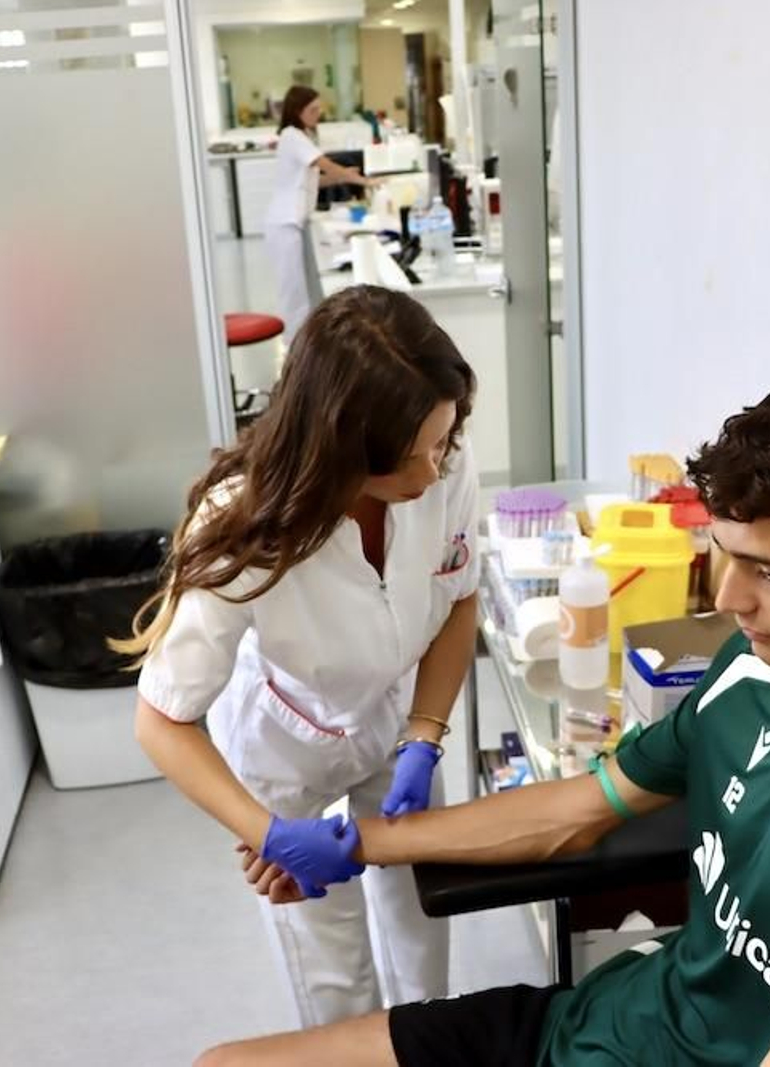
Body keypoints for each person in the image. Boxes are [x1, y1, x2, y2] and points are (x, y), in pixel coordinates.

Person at [197, 369, 770, 1067]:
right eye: (727, 557)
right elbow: (578, 808)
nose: (729, 599)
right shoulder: (753, 673)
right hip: (598, 1023)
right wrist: (351, 842)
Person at [116, 285, 480, 1029]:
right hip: (286, 739)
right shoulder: (243, 522)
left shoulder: (443, 459)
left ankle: (424, 1045)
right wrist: (268, 833)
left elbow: (459, 598)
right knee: (330, 963)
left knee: (421, 921)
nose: (432, 473)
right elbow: (161, 720)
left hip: (397, 712)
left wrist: (425, 734)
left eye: (440, 443)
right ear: (343, 451)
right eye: (409, 459)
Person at [265, 85, 376, 346]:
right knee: (294, 293)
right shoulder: (292, 136)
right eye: (313, 109)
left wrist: (344, 175)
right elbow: (325, 165)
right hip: (284, 223)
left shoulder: (302, 136)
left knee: (306, 288)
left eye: (318, 109)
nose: (318, 114)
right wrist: (362, 180)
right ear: (297, 111)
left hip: (296, 222)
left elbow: (315, 180)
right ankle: (295, 349)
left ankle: (309, 343)